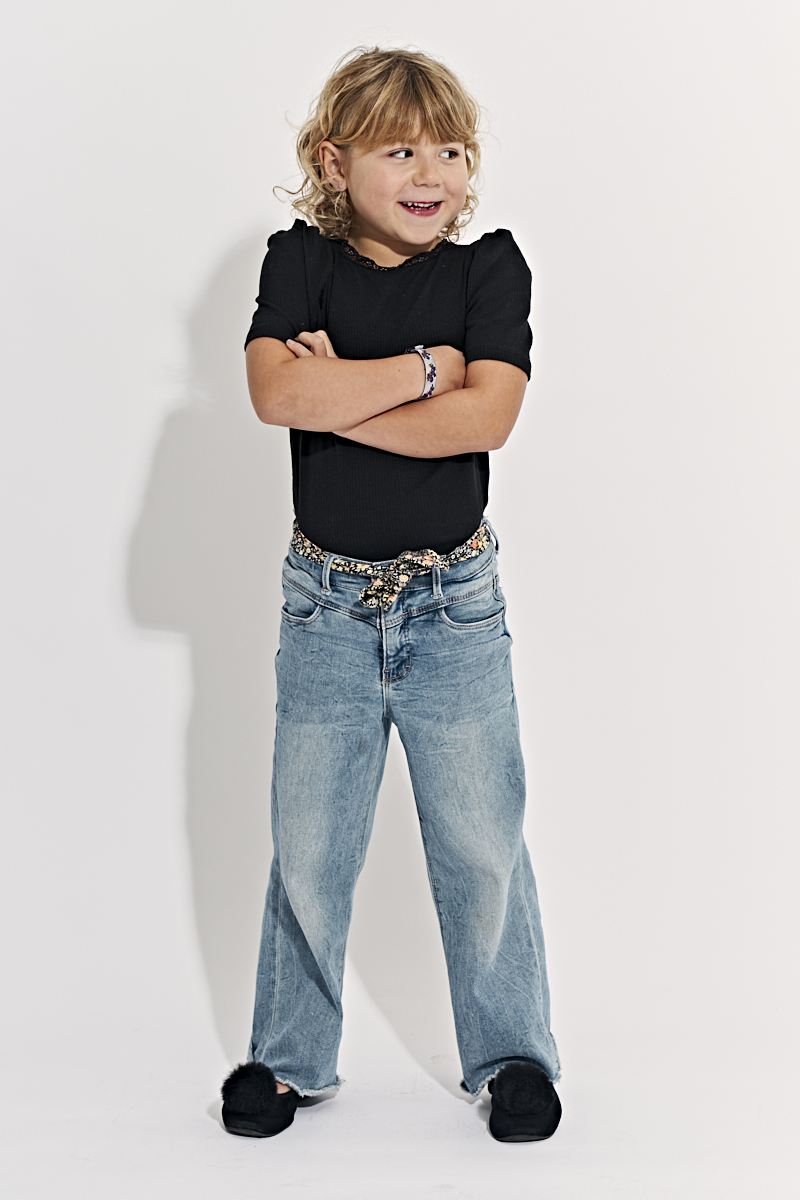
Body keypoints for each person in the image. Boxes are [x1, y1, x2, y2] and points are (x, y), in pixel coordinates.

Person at [220, 46, 562, 1143]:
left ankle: (512, 1054)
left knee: (480, 842)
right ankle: (287, 1059)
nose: (432, 173)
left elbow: (486, 418)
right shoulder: (298, 261)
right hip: (323, 607)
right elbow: (274, 394)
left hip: (452, 608)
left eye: (450, 151)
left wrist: (337, 391)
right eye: (401, 150)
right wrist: (425, 371)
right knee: (309, 844)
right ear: (334, 162)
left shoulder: (488, 270)